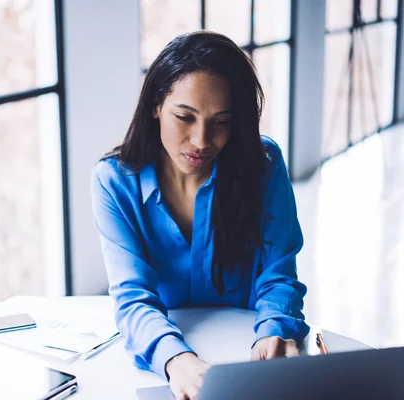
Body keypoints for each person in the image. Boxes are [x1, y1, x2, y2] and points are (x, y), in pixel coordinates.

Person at [90, 31, 310, 400]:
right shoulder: (113, 182)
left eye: (221, 121)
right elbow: (132, 298)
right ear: (155, 106)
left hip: (245, 354)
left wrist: (275, 329)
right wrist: (175, 359)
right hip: (162, 362)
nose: (202, 141)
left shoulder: (263, 164)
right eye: (184, 117)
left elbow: (279, 273)